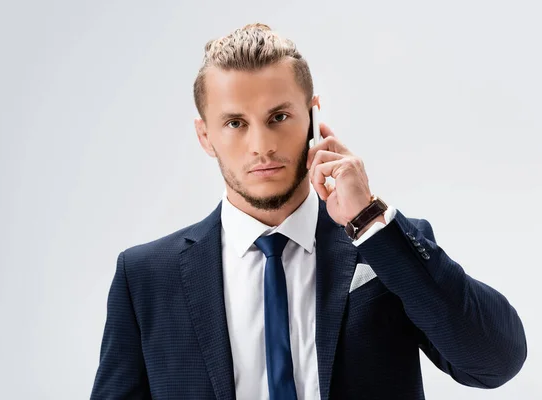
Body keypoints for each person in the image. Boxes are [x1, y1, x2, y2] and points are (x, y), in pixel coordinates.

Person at [90, 23, 527, 400]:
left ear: (314, 117)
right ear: (205, 136)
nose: (261, 145)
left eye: (278, 116)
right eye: (235, 123)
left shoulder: (383, 248)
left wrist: (370, 221)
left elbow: (495, 362)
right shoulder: (146, 278)